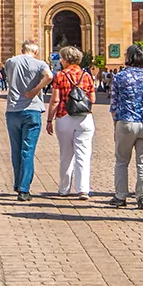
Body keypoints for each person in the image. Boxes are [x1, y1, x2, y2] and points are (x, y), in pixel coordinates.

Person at [4, 40, 52, 201]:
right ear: (36, 52)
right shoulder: (39, 64)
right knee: (28, 150)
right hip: (32, 110)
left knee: (16, 150)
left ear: (22, 49)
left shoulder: (10, 62)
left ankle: (18, 184)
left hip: (12, 111)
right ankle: (24, 189)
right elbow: (49, 76)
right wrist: (35, 90)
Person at [109, 45, 143, 208]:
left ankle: (120, 196)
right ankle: (142, 197)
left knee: (122, 161)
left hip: (126, 122)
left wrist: (116, 124)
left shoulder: (120, 76)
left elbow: (113, 104)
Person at [50, 54, 96, 198]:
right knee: (83, 154)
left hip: (64, 117)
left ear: (66, 60)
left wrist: (49, 120)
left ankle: (64, 189)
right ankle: (83, 189)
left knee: (66, 155)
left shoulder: (60, 75)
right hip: (84, 117)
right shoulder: (86, 75)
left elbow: (55, 100)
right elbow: (93, 99)